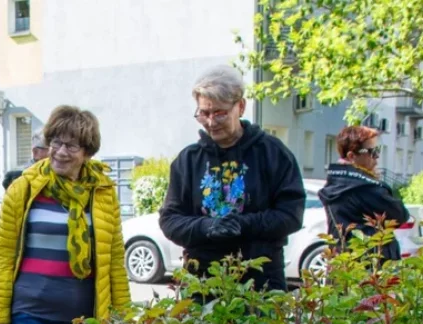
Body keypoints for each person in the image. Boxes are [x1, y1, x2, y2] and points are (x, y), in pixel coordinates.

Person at [0, 105, 130, 324]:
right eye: (55, 142)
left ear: (87, 152)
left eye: (71, 146)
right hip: (32, 315)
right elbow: (4, 254)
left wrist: (123, 316)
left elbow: (114, 261)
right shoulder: (24, 188)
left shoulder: (102, 193)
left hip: (86, 321)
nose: (61, 152)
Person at [159, 66, 306, 291]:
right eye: (204, 113)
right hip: (203, 283)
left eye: (219, 113)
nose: (211, 122)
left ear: (241, 107)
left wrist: (243, 224)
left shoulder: (272, 153)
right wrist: (208, 226)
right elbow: (170, 220)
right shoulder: (188, 160)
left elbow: (291, 215)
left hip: (261, 283)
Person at [318, 125, 409, 263]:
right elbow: (400, 214)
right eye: (372, 151)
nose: (377, 156)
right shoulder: (366, 188)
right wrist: (374, 181)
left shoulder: (334, 182)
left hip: (343, 262)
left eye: (378, 150)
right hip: (372, 264)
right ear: (352, 156)